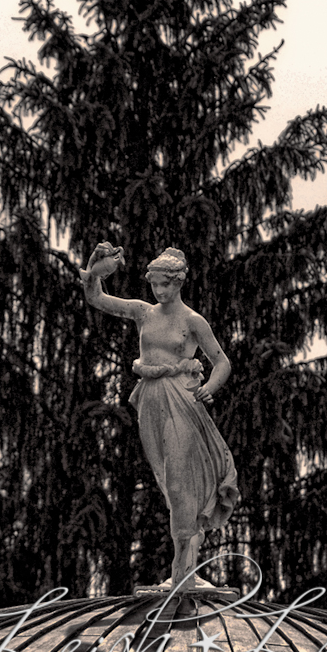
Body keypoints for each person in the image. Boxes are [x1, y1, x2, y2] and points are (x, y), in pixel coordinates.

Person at [80, 243, 239, 594]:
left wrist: (210, 387)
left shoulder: (192, 321)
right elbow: (99, 300)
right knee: (168, 484)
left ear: (179, 282)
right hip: (150, 400)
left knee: (181, 483)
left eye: (165, 284)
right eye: (154, 285)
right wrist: (93, 272)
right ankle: (185, 565)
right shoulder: (143, 312)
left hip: (182, 398)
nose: (159, 291)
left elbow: (222, 361)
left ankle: (182, 572)